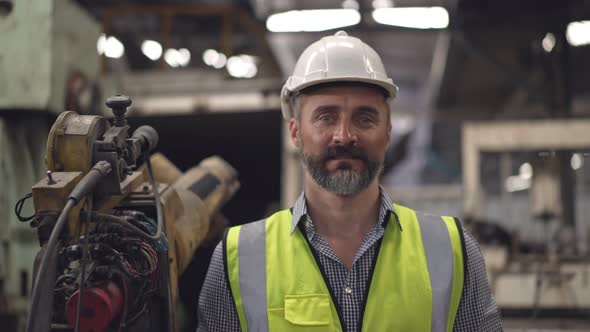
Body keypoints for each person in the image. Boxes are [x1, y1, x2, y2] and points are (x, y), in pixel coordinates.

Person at [197, 31, 502, 332]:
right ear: (295, 132)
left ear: (388, 133)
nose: (345, 136)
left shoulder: (452, 249)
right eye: (326, 117)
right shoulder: (237, 258)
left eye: (365, 118)